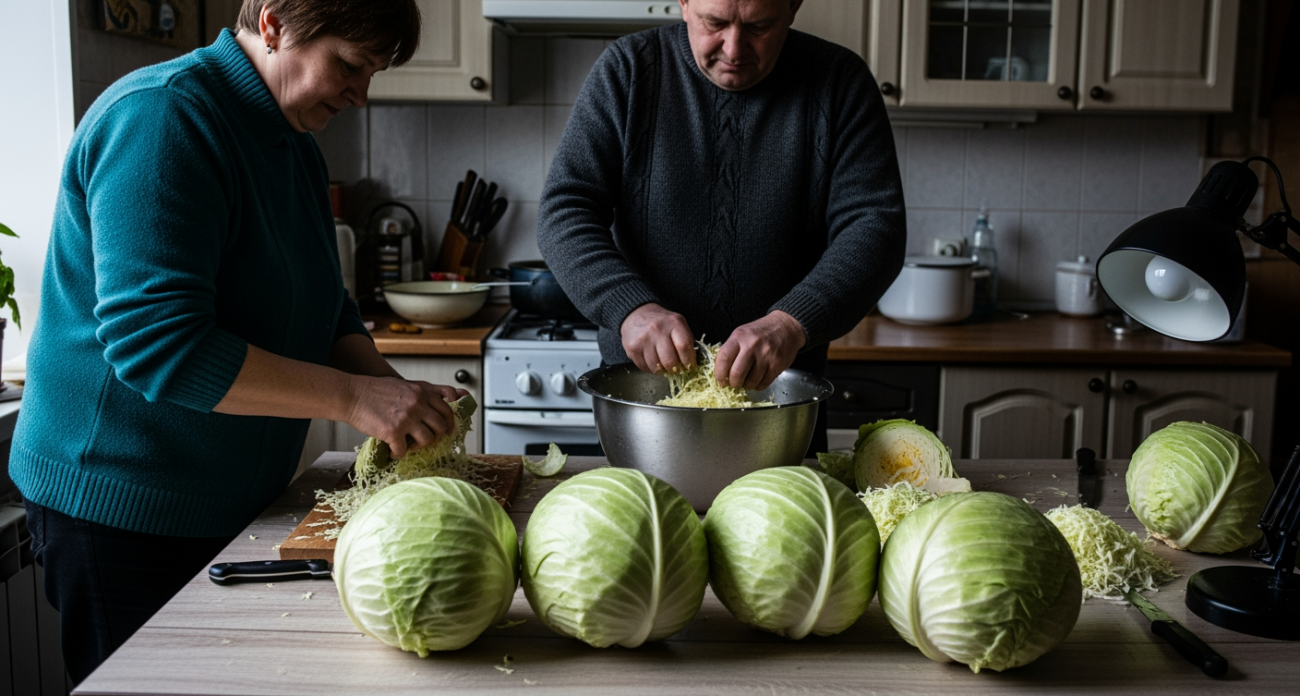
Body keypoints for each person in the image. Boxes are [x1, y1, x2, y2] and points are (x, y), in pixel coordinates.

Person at [9, 0, 458, 683]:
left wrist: (389, 391)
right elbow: (159, 346)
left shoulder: (291, 142)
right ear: (274, 23)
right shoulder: (162, 118)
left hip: (226, 497)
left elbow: (323, 303)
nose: (362, 95)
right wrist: (355, 399)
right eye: (349, 65)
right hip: (123, 502)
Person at [537, 0, 906, 452]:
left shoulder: (839, 81)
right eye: (715, 23)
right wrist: (629, 308)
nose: (734, 48)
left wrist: (791, 323)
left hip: (780, 401)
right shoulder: (629, 70)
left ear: (793, 7)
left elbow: (876, 228)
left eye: (759, 26)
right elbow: (566, 208)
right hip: (645, 400)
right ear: (685, 3)